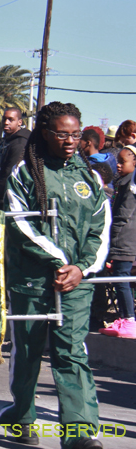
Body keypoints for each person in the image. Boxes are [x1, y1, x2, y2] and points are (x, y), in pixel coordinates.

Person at [0, 101, 109, 449]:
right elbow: (19, 224)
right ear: (45, 133)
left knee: (71, 352)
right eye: (62, 134)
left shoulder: (90, 177)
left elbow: (100, 230)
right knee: (27, 351)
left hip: (76, 284)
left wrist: (81, 268)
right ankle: (21, 416)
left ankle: (79, 431)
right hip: (31, 281)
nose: (70, 141)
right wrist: (60, 260)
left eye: (75, 134)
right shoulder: (24, 173)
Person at [98, 143, 136, 339]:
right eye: (117, 161)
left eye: (123, 161)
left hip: (125, 239)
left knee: (122, 279)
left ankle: (129, 319)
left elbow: (123, 216)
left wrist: (113, 237)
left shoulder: (130, 186)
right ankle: (125, 317)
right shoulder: (124, 183)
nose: (118, 165)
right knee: (121, 278)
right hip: (125, 239)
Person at [0, 108, 30, 211]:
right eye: (4, 119)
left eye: (11, 120)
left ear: (19, 122)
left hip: (8, 203)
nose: (6, 122)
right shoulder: (4, 142)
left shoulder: (20, 144)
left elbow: (8, 176)